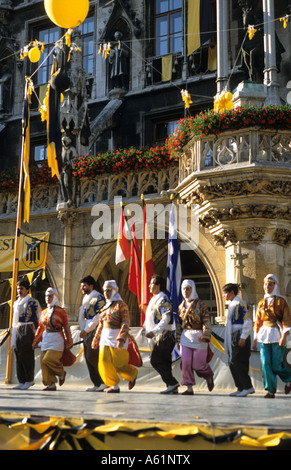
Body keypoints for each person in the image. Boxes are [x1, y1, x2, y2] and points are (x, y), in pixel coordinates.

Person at [91, 280, 137, 393]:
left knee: (119, 363)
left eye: (109, 290)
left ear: (115, 291)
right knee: (104, 361)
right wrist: (95, 339)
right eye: (105, 291)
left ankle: (132, 375)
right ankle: (114, 385)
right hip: (105, 337)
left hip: (117, 337)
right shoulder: (105, 306)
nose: (106, 293)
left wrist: (121, 338)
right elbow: (100, 325)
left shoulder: (121, 305)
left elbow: (125, 322)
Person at [253, 274, 291, 398]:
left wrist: (284, 336)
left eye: (270, 284)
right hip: (264, 335)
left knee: (276, 364)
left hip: (276, 334)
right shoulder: (261, 303)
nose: (267, 286)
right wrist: (254, 339)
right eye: (265, 284)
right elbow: (257, 321)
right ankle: (270, 390)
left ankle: (289, 379)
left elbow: (286, 319)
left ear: (275, 285)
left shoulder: (281, 301)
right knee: (265, 363)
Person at [176, 279, 214, 395]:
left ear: (192, 289)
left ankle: (208, 375)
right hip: (185, 337)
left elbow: (206, 321)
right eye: (184, 289)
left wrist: (205, 334)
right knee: (186, 363)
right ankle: (189, 388)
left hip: (199, 337)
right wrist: (178, 339)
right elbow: (179, 324)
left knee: (198, 365)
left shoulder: (200, 304)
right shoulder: (181, 306)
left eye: (188, 289)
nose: (186, 291)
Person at [143, 274, 179, 394]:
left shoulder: (163, 299)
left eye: (152, 283)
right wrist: (145, 328)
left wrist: (154, 331)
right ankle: (171, 386)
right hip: (159, 336)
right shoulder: (154, 299)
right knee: (165, 361)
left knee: (155, 360)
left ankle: (172, 382)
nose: (149, 286)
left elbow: (166, 318)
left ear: (158, 286)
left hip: (165, 335)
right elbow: (149, 317)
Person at [32, 288, 73, 391]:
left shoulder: (61, 311)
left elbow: (66, 327)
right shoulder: (44, 312)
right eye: (46, 296)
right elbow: (40, 328)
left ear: (55, 297)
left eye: (50, 296)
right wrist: (35, 341)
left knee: (48, 359)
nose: (48, 298)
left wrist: (69, 341)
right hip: (46, 338)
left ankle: (61, 373)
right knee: (43, 362)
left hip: (57, 339)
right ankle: (50, 384)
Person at [223, 283, 255, 397]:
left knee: (238, 361)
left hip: (239, 335)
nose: (224, 295)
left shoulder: (240, 304)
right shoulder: (232, 305)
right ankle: (240, 387)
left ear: (232, 292)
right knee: (232, 362)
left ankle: (247, 386)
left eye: (226, 293)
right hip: (233, 336)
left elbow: (248, 321)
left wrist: (243, 337)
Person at [11, 279, 42, 390]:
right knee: (18, 354)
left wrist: (39, 333)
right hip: (17, 328)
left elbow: (40, 318)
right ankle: (22, 380)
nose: (19, 291)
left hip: (28, 328)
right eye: (18, 288)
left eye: (22, 289)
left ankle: (29, 379)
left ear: (27, 290)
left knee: (26, 354)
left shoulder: (33, 302)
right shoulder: (16, 302)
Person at [78, 276, 107, 392]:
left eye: (84, 286)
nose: (82, 288)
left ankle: (103, 381)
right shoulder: (86, 298)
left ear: (91, 286)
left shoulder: (98, 298)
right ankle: (96, 383)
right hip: (86, 331)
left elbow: (98, 317)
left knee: (92, 356)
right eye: (81, 286)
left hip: (94, 331)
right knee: (88, 357)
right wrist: (82, 329)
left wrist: (87, 329)